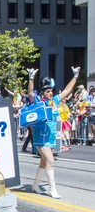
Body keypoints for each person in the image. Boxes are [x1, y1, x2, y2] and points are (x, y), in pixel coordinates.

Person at [28, 67, 80, 199]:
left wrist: (75, 76)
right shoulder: (39, 102)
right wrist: (31, 78)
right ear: (42, 92)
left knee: (44, 162)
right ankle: (52, 188)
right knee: (50, 161)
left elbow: (67, 90)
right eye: (47, 91)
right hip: (41, 136)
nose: (50, 93)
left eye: (51, 91)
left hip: (51, 136)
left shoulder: (55, 101)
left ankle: (35, 185)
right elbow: (30, 94)